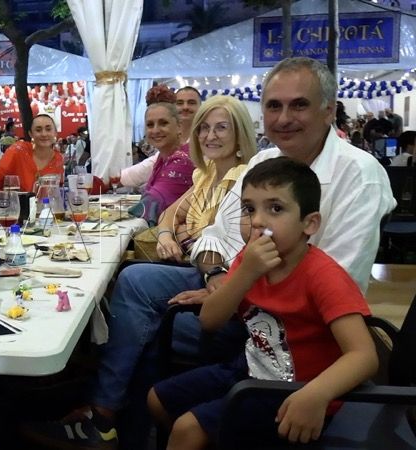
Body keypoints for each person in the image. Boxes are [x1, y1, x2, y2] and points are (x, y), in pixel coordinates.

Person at [23, 57, 395, 450]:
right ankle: (119, 421)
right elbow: (215, 234)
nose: (284, 117)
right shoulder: (264, 162)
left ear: (329, 110)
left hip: (291, 331)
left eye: (299, 105)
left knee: (143, 323)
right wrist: (219, 276)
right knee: (134, 285)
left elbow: (340, 279)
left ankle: (110, 420)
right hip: (242, 292)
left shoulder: (359, 174)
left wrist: (237, 283)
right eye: (274, 106)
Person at [149, 157, 378, 449]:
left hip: (300, 393)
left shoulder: (323, 276)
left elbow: (363, 356)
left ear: (309, 223)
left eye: (275, 209)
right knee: (157, 400)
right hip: (252, 370)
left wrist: (317, 394)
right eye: (249, 209)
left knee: (188, 430)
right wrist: (245, 273)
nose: (257, 221)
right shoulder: (249, 260)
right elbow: (209, 321)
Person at [154, 95, 257, 262]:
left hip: (220, 272)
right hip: (193, 263)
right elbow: (170, 214)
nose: (210, 136)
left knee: (130, 273)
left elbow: (216, 248)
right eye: (204, 128)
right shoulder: (208, 173)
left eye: (221, 128)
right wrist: (165, 237)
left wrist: (181, 235)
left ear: (240, 135)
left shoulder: (245, 179)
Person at [128, 102, 195, 226]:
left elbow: (150, 205)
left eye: (163, 123)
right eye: (150, 125)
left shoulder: (183, 160)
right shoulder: (163, 157)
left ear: (179, 127)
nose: (155, 130)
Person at [0, 114, 64, 193]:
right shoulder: (17, 151)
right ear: (31, 134)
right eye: (38, 130)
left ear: (55, 132)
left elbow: (58, 191)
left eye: (48, 129)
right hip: (14, 200)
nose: (44, 134)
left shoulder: (58, 159)